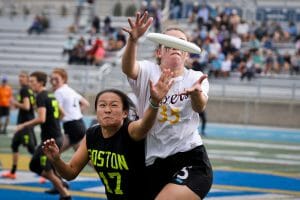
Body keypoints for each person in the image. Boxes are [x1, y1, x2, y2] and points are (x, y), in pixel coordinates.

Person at [122, 12, 213, 200]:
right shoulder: (148, 70)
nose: (176, 47)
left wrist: (196, 94)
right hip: (154, 159)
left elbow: (200, 107)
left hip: (190, 156)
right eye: (170, 43)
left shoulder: (195, 77)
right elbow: (128, 68)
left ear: (187, 53)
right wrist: (133, 40)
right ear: (159, 51)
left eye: (181, 43)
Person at [42, 70, 173, 200]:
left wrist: (155, 102)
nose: (107, 110)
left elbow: (144, 125)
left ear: (125, 113)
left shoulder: (131, 130)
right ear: (96, 111)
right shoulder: (92, 134)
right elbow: (70, 173)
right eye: (102, 105)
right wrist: (57, 160)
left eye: (114, 105)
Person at [16, 71, 71, 200]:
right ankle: (61, 187)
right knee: (47, 168)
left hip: (50, 140)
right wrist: (54, 121)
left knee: (37, 166)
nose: (30, 84)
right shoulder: (51, 94)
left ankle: (64, 192)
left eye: (32, 82)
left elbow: (41, 119)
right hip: (57, 136)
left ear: (40, 83)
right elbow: (62, 113)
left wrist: (23, 125)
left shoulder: (41, 96)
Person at [2, 72, 36, 179]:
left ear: (27, 79)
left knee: (32, 149)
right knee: (16, 145)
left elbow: (26, 107)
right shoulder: (30, 90)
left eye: (23, 77)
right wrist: (17, 105)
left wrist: (14, 103)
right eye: (19, 76)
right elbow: (31, 106)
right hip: (28, 122)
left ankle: (47, 170)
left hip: (24, 124)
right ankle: (13, 172)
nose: (20, 79)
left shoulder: (24, 90)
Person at [50, 68, 90, 152]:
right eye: (51, 79)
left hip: (72, 127)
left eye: (56, 79)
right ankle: (98, 166)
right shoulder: (69, 89)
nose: (53, 82)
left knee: (53, 154)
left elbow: (61, 113)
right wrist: (75, 112)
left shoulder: (59, 92)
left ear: (64, 79)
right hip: (79, 124)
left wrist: (55, 123)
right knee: (82, 156)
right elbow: (86, 104)